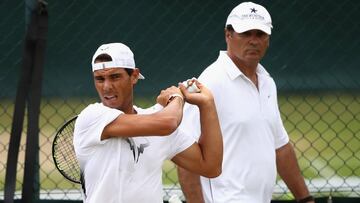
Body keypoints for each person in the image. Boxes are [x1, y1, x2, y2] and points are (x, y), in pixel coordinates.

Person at [177, 2, 315, 203]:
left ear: (268, 39)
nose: (253, 41)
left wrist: (305, 199)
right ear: (228, 35)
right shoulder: (209, 83)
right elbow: (184, 153)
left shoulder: (267, 81)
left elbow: (281, 147)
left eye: (260, 34)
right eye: (245, 33)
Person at [73, 42, 223, 203]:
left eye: (115, 77)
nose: (107, 87)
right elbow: (168, 122)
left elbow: (211, 167)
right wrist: (176, 98)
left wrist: (207, 104)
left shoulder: (155, 121)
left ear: (134, 76)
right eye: (100, 79)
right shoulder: (92, 116)